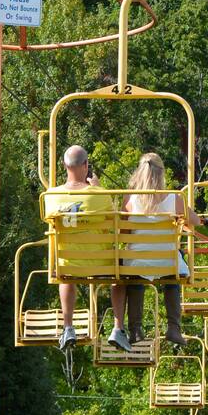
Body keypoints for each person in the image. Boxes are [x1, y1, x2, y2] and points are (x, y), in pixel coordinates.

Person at [42, 144, 131, 353]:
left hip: (69, 264)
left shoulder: (50, 196)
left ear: (64, 165)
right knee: (121, 275)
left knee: (66, 274)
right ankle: (118, 327)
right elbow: (114, 221)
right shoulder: (100, 195)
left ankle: (68, 326)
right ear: (86, 165)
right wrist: (97, 187)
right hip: (102, 264)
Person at [122, 153, 206, 348]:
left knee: (135, 278)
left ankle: (135, 328)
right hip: (168, 263)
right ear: (162, 174)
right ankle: (174, 328)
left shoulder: (129, 198)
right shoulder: (175, 199)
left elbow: (123, 231)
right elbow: (196, 221)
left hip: (137, 262)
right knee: (174, 273)